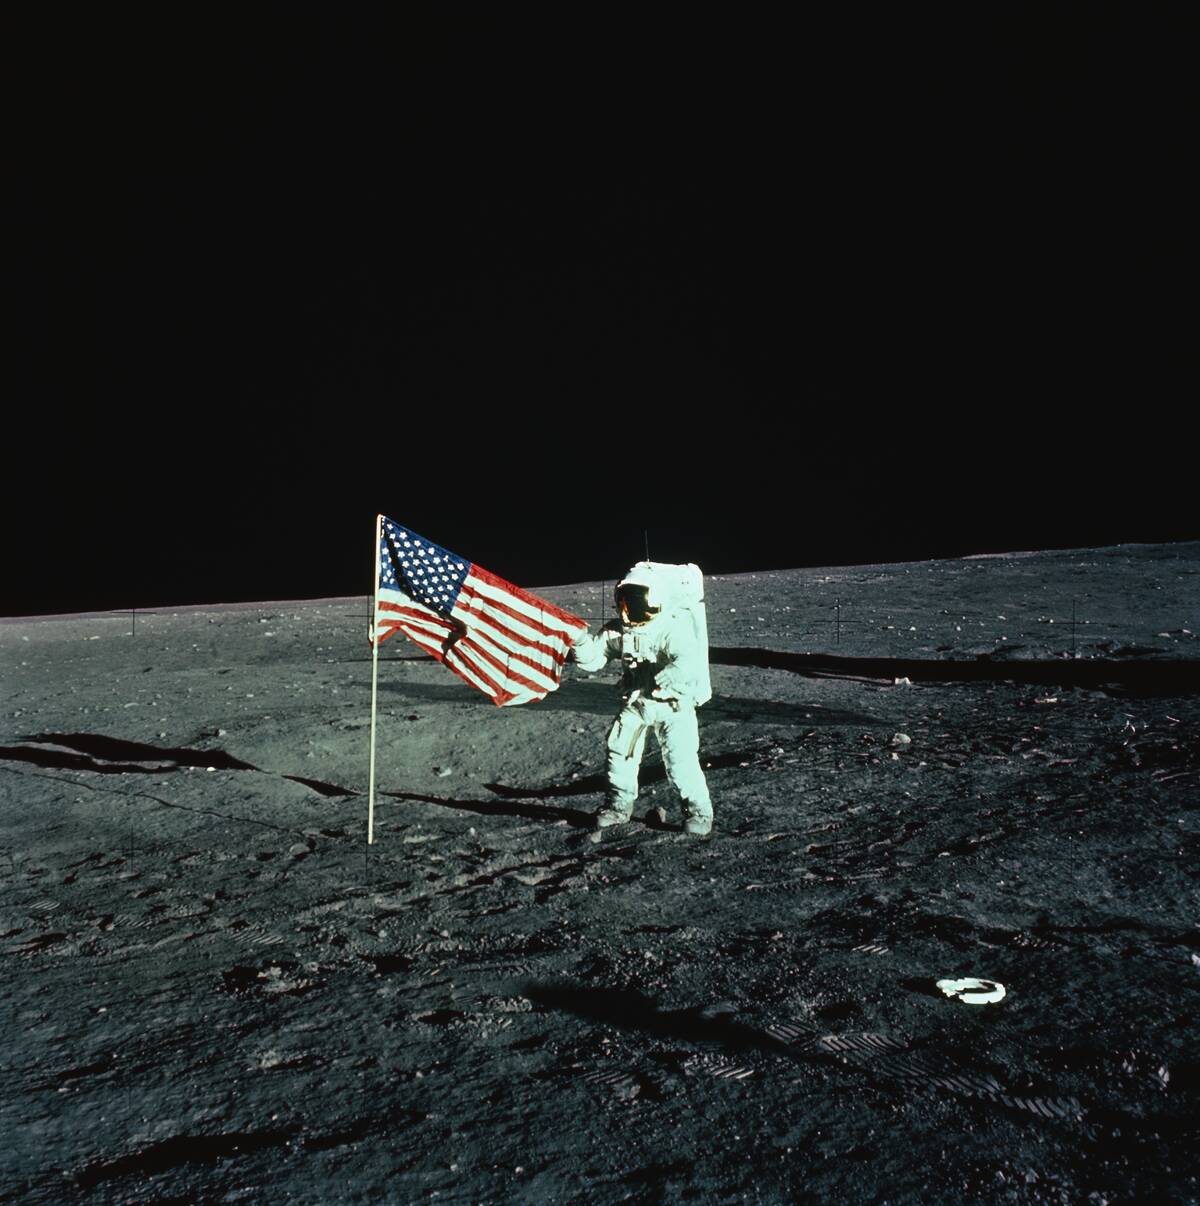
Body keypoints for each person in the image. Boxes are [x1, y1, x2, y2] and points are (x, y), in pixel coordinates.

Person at [571, 561, 714, 835]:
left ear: (655, 599)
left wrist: (674, 672)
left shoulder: (671, 627)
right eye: (623, 602)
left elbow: (690, 657)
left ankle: (699, 811)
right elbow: (594, 660)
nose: (626, 610)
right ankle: (617, 807)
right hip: (637, 703)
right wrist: (580, 644)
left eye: (633, 603)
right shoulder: (619, 631)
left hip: (673, 705)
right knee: (619, 755)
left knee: (680, 762)